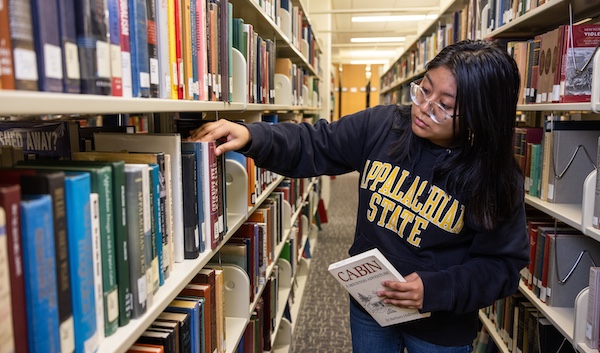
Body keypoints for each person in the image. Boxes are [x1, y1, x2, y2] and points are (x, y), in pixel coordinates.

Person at [189, 39, 530, 353]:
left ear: (480, 115)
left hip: (439, 327)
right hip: (371, 302)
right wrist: (252, 135)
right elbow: (315, 143)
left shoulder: (497, 177)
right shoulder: (384, 126)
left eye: (443, 105)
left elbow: (501, 266)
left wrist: (435, 289)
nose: (423, 108)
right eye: (423, 91)